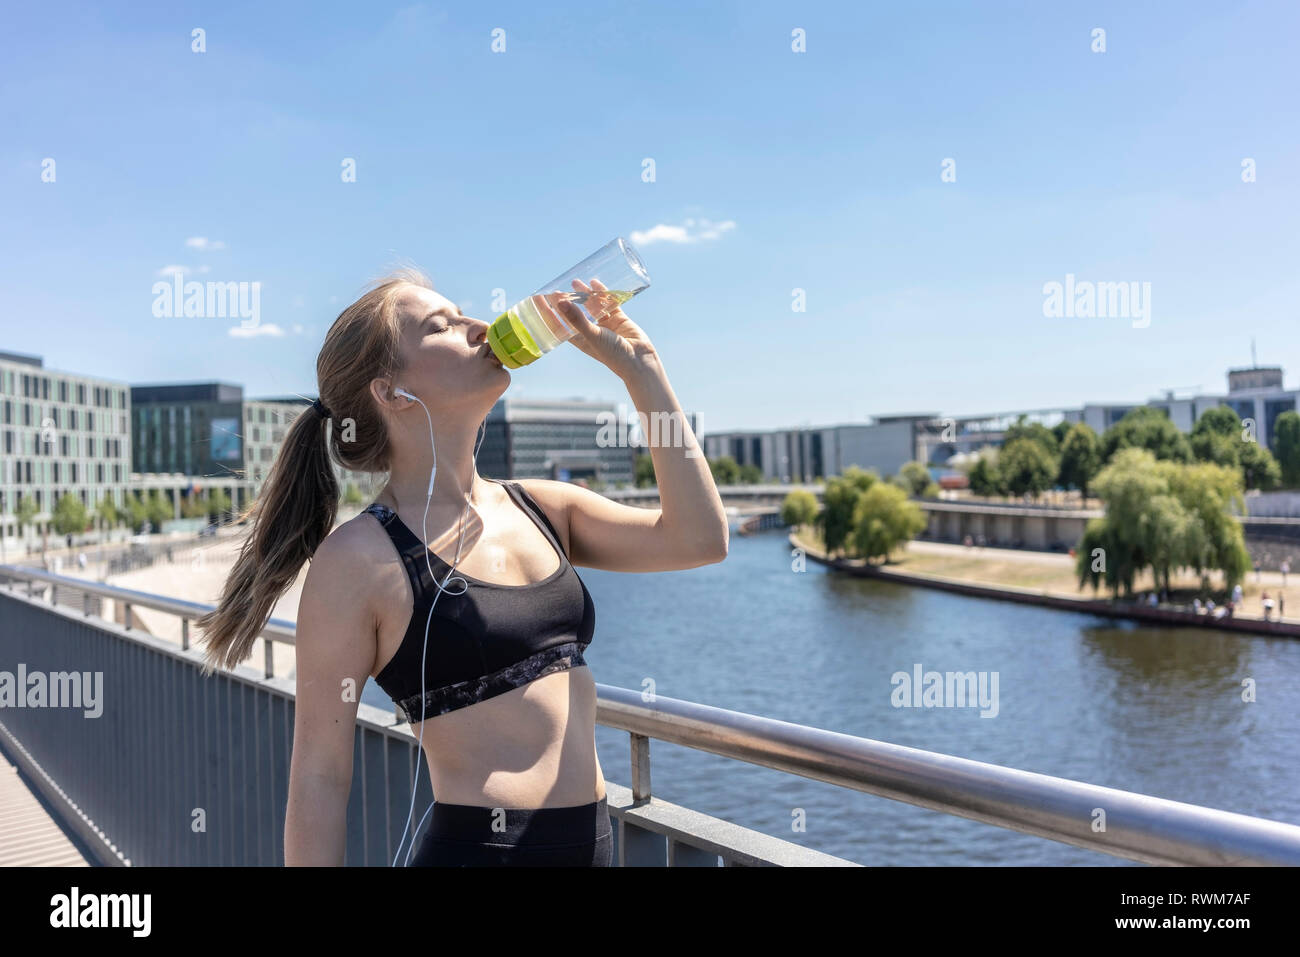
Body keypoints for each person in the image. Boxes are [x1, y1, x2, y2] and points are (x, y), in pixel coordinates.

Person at [193, 271, 728, 867]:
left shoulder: (544, 507)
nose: (481, 327)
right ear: (392, 393)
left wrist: (643, 370)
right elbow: (319, 774)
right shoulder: (360, 558)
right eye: (442, 325)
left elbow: (699, 538)